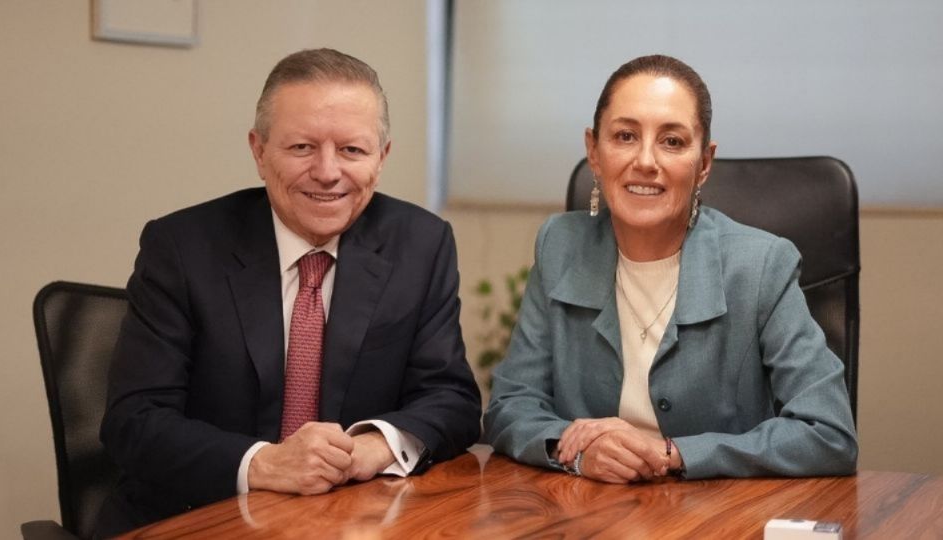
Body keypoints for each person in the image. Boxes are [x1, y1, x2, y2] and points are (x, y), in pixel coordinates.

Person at [96, 48, 482, 536]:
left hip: (347, 523)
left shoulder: (421, 245)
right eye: (302, 147)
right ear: (259, 151)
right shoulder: (182, 247)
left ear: (381, 159)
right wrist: (264, 464)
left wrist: (371, 446)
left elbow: (451, 399)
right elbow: (135, 420)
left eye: (352, 150)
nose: (327, 171)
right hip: (195, 519)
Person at [483, 54, 857, 483]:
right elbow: (511, 405)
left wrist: (673, 453)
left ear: (705, 163)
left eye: (673, 142)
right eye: (625, 136)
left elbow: (827, 433)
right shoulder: (560, 246)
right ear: (593, 151)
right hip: (590, 513)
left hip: (722, 518)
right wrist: (577, 448)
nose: (645, 160)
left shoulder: (761, 267)